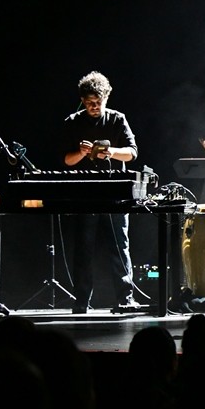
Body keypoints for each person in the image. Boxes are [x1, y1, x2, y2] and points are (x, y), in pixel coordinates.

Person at [62, 70, 141, 314]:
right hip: (85, 192)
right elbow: (67, 160)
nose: (93, 107)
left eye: (97, 103)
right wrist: (82, 153)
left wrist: (112, 153)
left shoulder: (118, 119)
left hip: (115, 192)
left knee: (119, 245)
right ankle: (81, 301)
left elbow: (133, 152)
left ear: (105, 98)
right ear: (83, 101)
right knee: (83, 248)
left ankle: (125, 299)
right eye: (89, 104)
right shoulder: (73, 122)